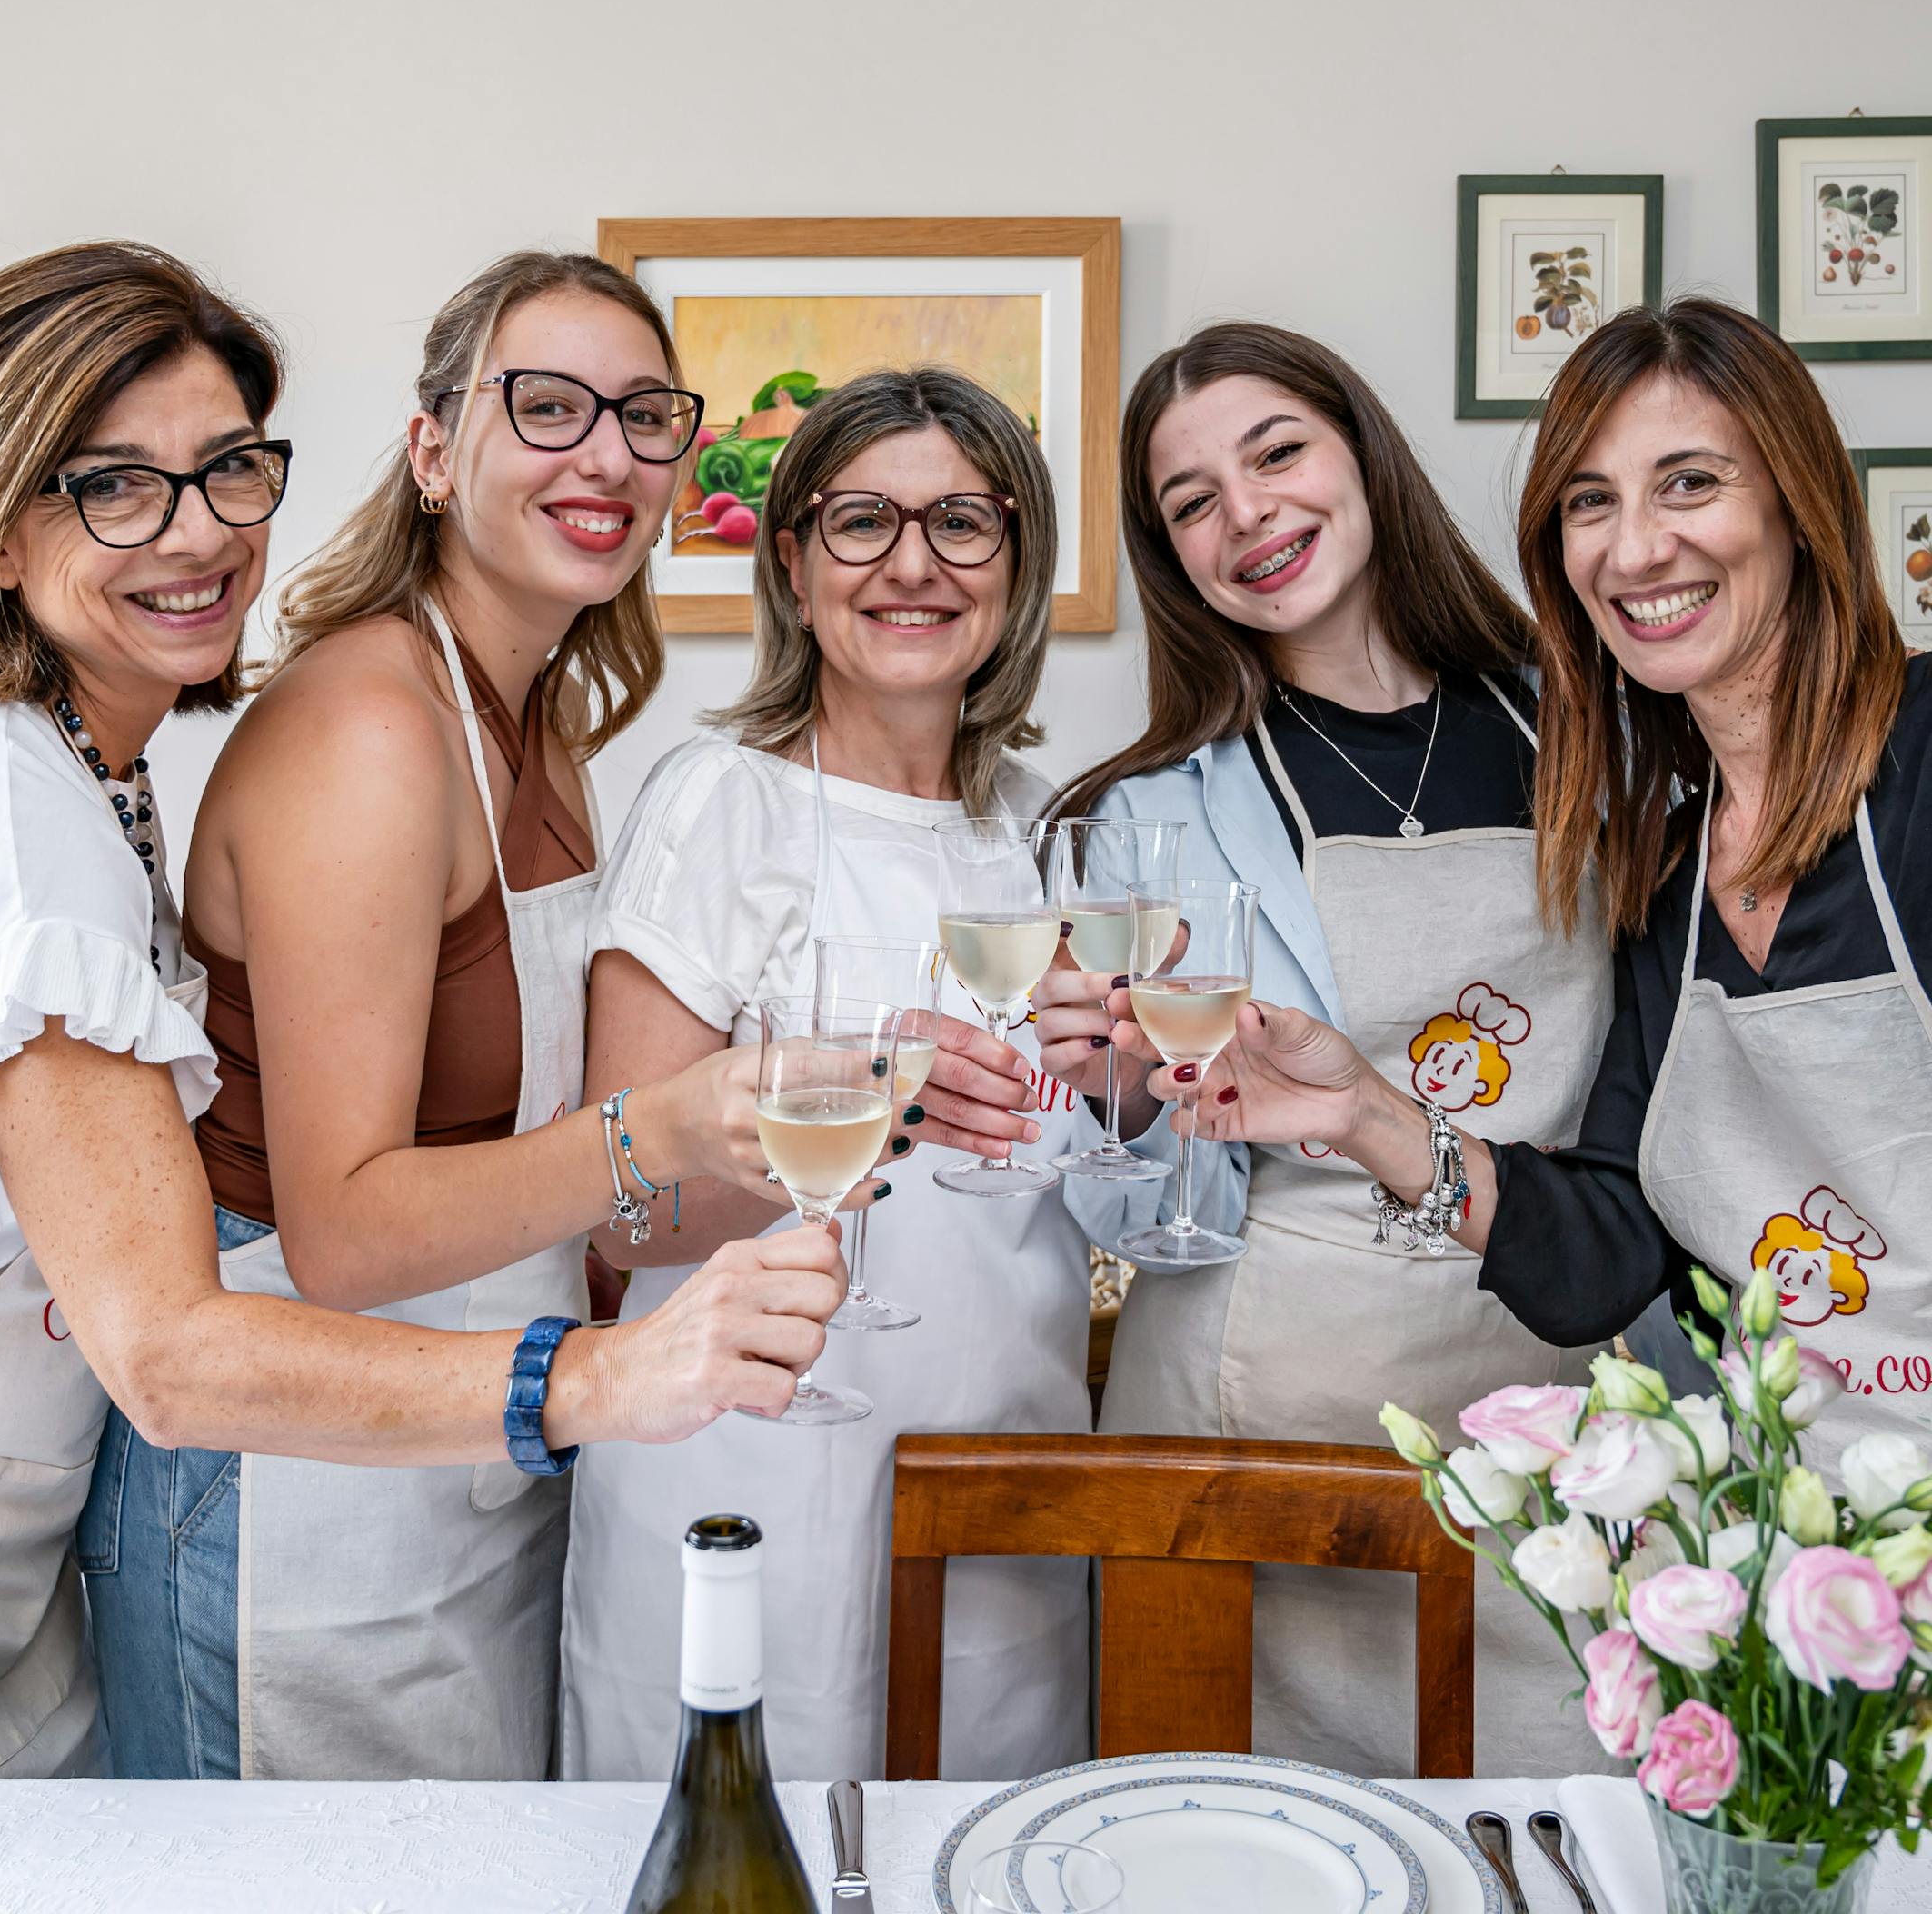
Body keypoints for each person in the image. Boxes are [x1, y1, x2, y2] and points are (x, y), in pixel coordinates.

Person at [0, 243, 841, 1782]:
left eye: (227, 474)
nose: (195, 533)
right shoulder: (8, 836)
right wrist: (611, 1368)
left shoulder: (85, 774)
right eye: (116, 489)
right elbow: (177, 1351)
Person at [1181, 298, 1932, 1783]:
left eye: (1691, 482)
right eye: (1590, 504)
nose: (1636, 549)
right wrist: (1369, 1115)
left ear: (1798, 501)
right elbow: (1611, 1251)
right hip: (1810, 1573)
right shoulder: (1663, 869)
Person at [84, 251, 797, 1781]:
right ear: (431, 450)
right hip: (297, 1495)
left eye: (645, 416)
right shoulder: (369, 729)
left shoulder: (542, 728)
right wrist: (651, 1133)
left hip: (468, 1450)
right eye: (546, 407)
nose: (604, 453)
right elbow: (342, 1231)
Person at [1029, 323, 1614, 1777]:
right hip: (1254, 1404)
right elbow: (1126, 1199)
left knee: (1550, 1822)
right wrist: (1115, 1097)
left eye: (1278, 452)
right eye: (1191, 501)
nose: (1249, 513)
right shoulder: (1151, 812)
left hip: (1543, 1384)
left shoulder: (1604, 737)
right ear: (1173, 558)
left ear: (1361, 453)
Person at [565, 368, 1092, 1780]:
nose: (912, 564)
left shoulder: (1047, 834)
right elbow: (627, 1213)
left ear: (1017, 563)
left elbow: (1064, 1189)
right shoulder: (719, 798)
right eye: (862, 522)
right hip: (748, 1489)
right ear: (792, 562)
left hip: (996, 1495)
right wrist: (868, 1125)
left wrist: (1133, 1096)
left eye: (962, 524)